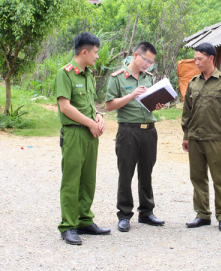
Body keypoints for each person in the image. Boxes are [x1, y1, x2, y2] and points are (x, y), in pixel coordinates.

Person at [55, 32, 109, 246]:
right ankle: (68, 226)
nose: (97, 56)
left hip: (90, 133)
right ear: (84, 52)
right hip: (74, 133)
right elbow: (65, 107)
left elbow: (89, 104)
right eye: (95, 52)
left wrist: (98, 115)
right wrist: (90, 123)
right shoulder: (65, 74)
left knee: (88, 179)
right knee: (71, 180)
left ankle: (84, 220)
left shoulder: (88, 75)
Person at [106, 42, 165, 232]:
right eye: (146, 60)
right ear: (135, 56)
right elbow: (109, 105)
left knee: (146, 172)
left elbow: (148, 102)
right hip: (128, 131)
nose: (148, 65)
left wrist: (157, 104)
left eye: (151, 62)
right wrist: (131, 96)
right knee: (126, 173)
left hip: (149, 130)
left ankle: (146, 212)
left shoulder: (148, 78)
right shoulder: (117, 78)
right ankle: (124, 215)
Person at [181, 43, 221, 232]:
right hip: (195, 138)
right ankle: (202, 214)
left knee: (219, 178)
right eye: (195, 58)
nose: (196, 62)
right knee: (197, 177)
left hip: (216, 138)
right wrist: (186, 135)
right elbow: (187, 112)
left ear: (211, 58)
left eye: (200, 59)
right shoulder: (193, 82)